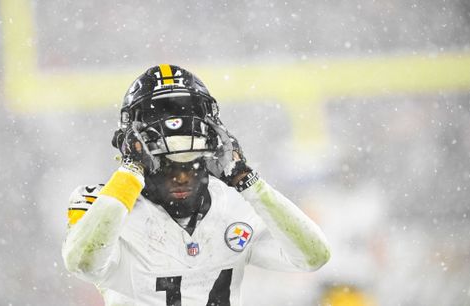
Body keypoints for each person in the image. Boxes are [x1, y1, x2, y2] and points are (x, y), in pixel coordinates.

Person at [62, 64, 331, 306]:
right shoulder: (104, 204)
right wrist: (130, 172)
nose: (181, 177)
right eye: (167, 165)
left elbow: (313, 256)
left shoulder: (235, 203)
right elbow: (82, 262)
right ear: (141, 157)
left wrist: (249, 182)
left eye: (191, 164)